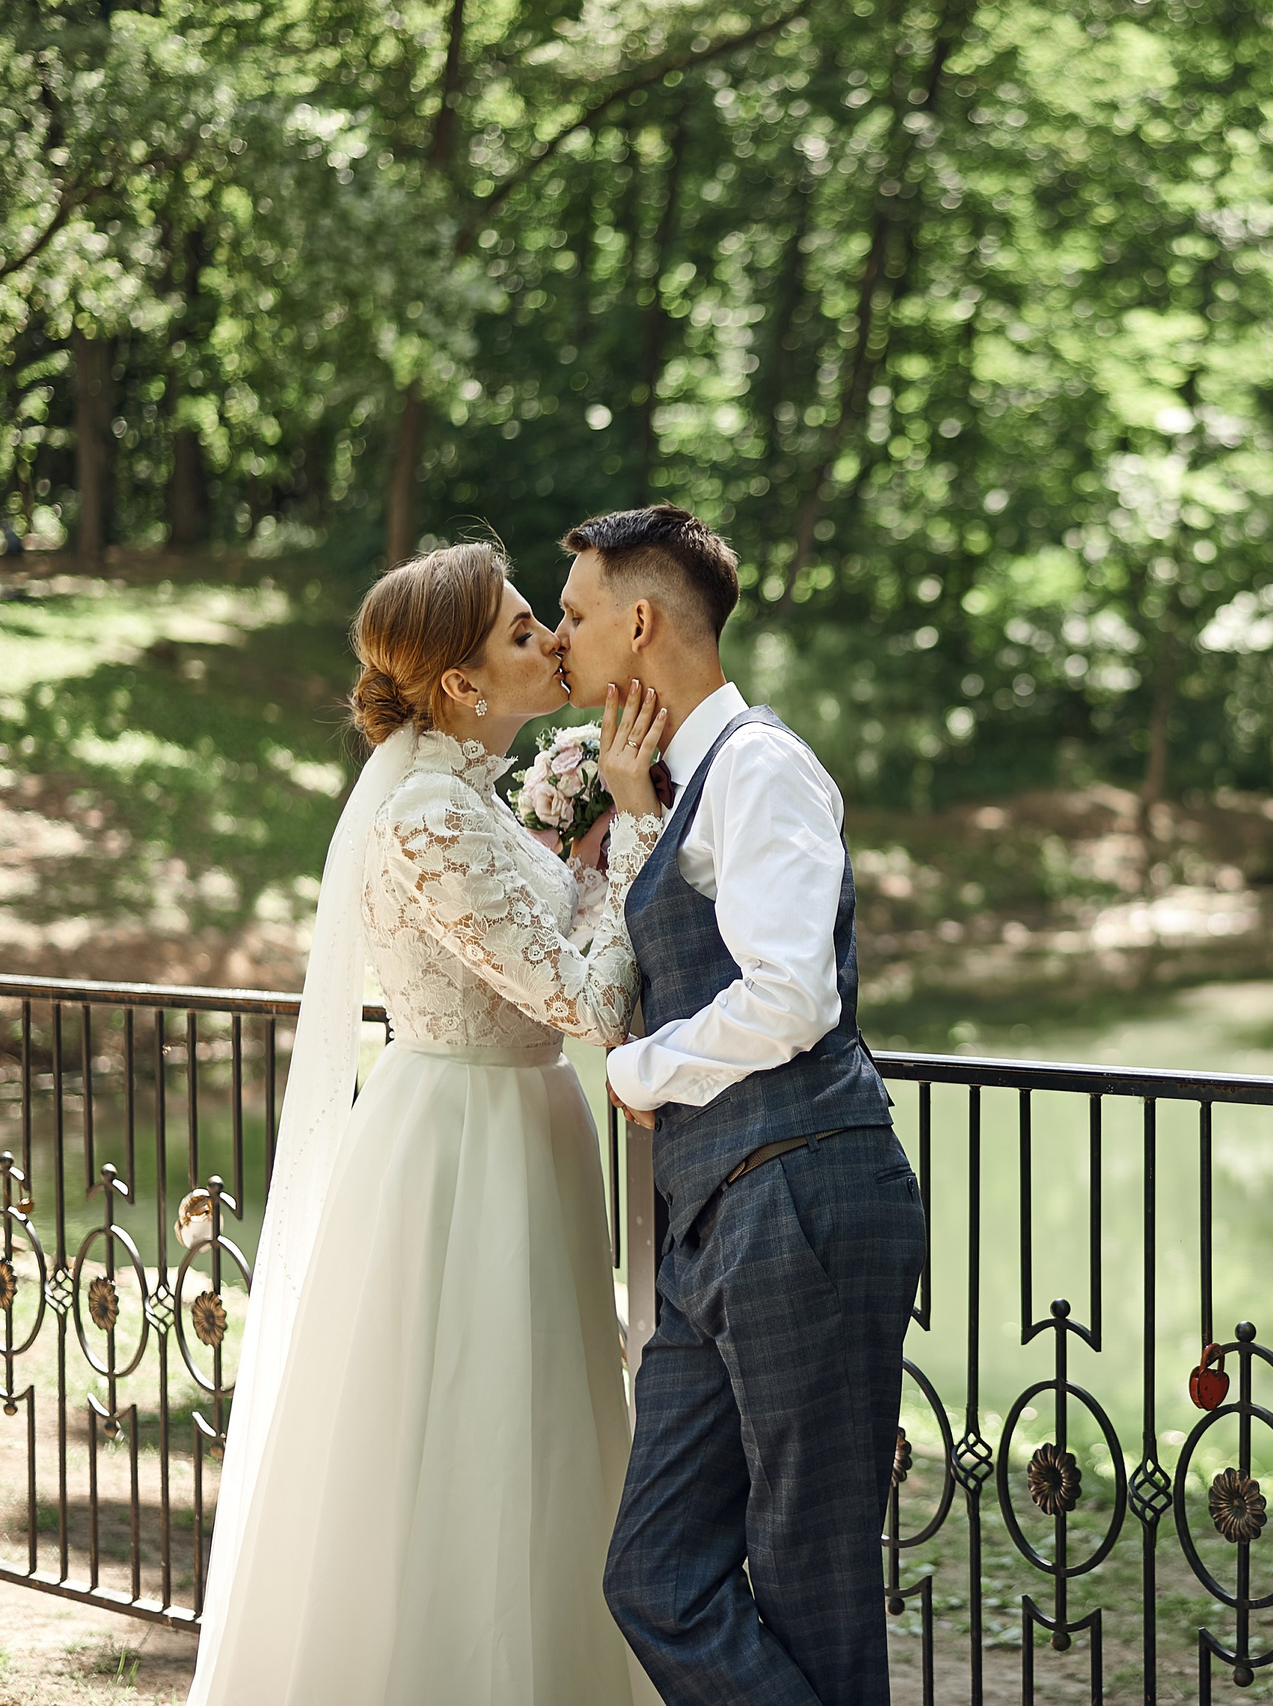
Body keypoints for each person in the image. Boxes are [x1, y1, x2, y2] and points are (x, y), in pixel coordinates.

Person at [187, 542, 670, 1705]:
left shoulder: (474, 807)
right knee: (468, 1423)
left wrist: (581, 854)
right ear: (460, 684)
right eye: (520, 631)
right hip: (464, 1143)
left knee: (539, 1431)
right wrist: (637, 829)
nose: (551, 641)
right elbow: (585, 999)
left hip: (522, 1120)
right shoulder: (423, 821)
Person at [554, 506, 924, 1706]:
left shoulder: (762, 764)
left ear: (641, 620)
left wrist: (635, 1071)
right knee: (654, 1571)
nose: (561, 639)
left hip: (802, 1199)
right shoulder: (692, 783)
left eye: (573, 614)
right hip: (719, 1221)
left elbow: (791, 995)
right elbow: (702, 937)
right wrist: (637, 810)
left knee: (814, 1590)